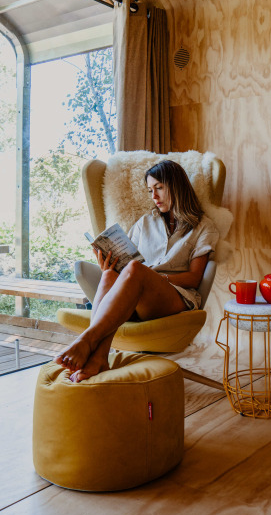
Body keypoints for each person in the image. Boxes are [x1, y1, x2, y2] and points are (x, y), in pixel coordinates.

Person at [54, 160, 219, 382]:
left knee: (135, 269)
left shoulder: (203, 226)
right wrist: (108, 263)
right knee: (111, 273)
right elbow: (127, 261)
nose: (154, 196)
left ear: (176, 185)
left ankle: (86, 340)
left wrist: (155, 278)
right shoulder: (144, 223)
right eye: (150, 190)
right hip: (137, 293)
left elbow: (195, 277)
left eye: (159, 188)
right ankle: (100, 357)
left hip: (177, 296)